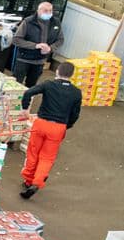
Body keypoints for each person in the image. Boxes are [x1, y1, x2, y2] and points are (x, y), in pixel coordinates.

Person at [19, 61, 82, 200]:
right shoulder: (76, 93)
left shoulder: (48, 85)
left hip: (41, 123)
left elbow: (28, 92)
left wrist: (25, 109)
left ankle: (28, 180)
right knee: (47, 157)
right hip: (58, 127)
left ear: (57, 71)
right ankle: (37, 182)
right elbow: (75, 114)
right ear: (72, 75)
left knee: (33, 152)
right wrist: (67, 125)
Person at [12, 1, 63, 87]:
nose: (48, 13)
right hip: (24, 59)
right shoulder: (28, 22)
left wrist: (50, 48)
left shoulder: (55, 23)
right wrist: (35, 46)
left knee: (32, 85)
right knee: (16, 83)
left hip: (40, 61)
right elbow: (16, 40)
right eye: (45, 10)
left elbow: (60, 40)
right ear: (38, 11)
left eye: (50, 10)